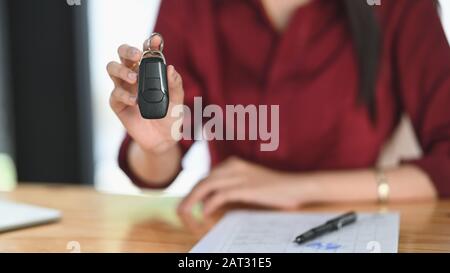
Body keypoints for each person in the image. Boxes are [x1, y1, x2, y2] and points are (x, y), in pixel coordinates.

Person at [106, 0, 450, 216]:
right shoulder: (194, 7)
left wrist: (300, 188)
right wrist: (158, 146)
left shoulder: (400, 8)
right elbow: (153, 172)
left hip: (350, 231)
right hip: (231, 239)